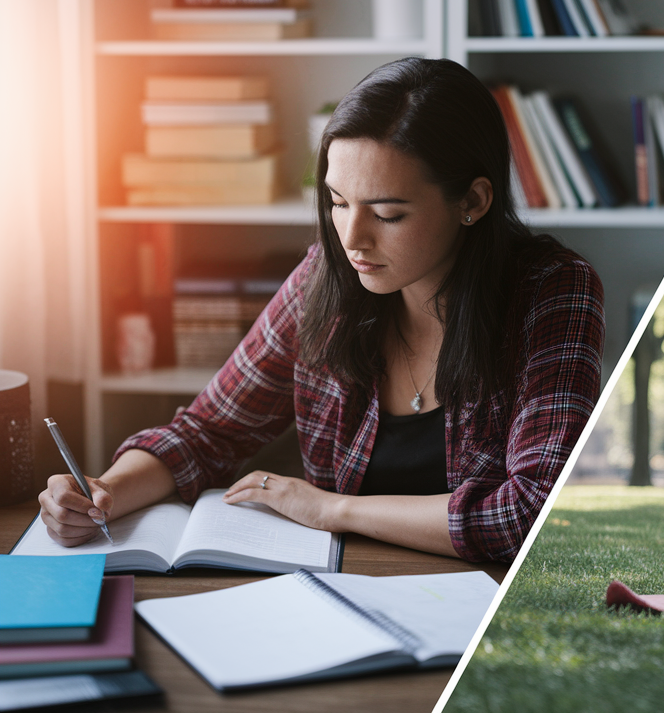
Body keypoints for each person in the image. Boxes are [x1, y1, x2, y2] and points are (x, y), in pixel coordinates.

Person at [38, 58, 605, 563]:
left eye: (387, 214)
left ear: (473, 202)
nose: (351, 238)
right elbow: (207, 432)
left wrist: (332, 510)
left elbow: (531, 509)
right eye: (337, 202)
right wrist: (100, 492)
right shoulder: (324, 277)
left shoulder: (554, 292)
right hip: (332, 591)